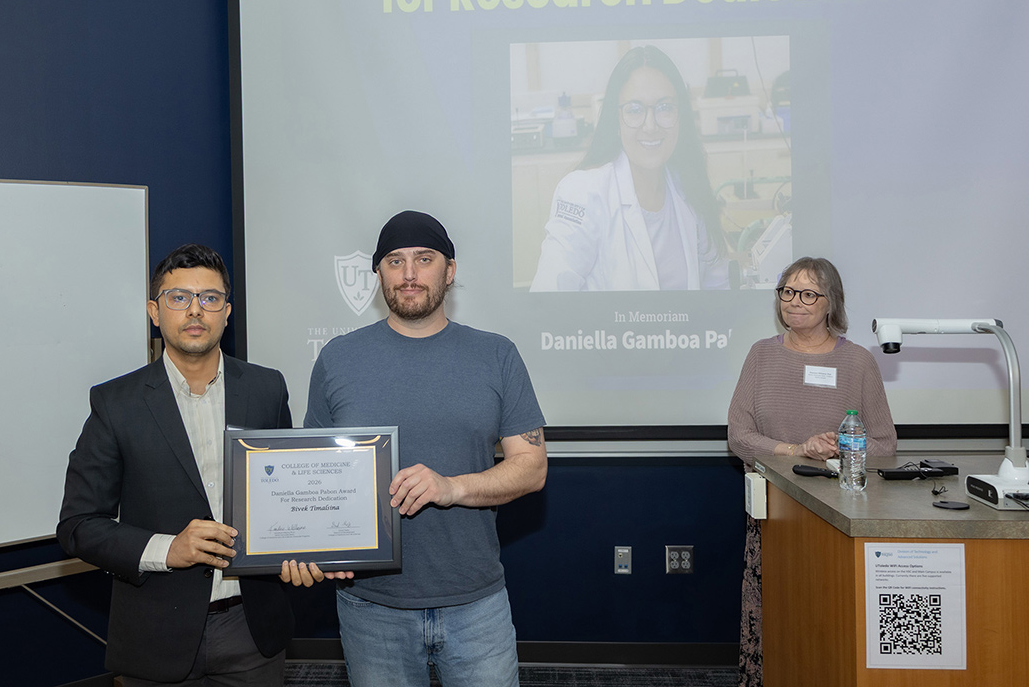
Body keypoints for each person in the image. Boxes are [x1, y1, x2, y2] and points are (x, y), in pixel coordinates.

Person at [58, 243, 328, 686]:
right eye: (179, 297)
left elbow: (285, 499)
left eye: (210, 298)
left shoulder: (266, 388)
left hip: (253, 631)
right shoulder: (115, 402)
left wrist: (303, 547)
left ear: (227, 312)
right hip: (156, 635)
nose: (196, 310)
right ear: (154, 311)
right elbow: (78, 526)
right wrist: (168, 549)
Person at [304, 210, 548, 687]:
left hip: (475, 604)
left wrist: (451, 488)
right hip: (371, 607)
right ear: (378, 274)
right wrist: (314, 546)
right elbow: (315, 474)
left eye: (425, 258)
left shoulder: (497, 355)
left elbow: (532, 467)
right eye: (395, 261)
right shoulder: (337, 359)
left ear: (450, 270)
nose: (409, 273)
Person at [726, 256, 897, 687]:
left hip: (840, 518)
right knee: (777, 617)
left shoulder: (857, 362)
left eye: (807, 294)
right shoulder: (761, 355)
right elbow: (739, 436)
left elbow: (885, 444)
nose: (794, 302)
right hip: (774, 514)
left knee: (827, 620)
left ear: (830, 302)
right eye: (787, 291)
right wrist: (797, 449)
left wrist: (841, 447)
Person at [530, 44, 729, 291]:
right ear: (616, 119)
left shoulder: (688, 186)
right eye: (635, 110)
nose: (650, 126)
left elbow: (718, 287)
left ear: (681, 116)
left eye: (665, 108)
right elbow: (549, 296)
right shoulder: (583, 193)